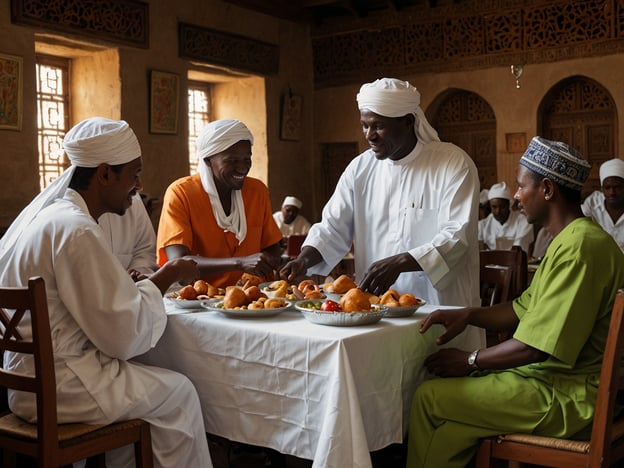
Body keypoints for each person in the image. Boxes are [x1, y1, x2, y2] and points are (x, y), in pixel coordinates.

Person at [0, 117, 212, 468]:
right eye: (133, 174)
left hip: (26, 384)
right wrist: (166, 276)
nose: (139, 185)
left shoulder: (50, 219)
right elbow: (123, 336)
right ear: (103, 174)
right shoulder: (76, 229)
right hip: (63, 386)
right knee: (179, 394)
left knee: (151, 395)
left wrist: (131, 285)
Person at [407, 136, 624, 468]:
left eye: (522, 187)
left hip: (571, 397)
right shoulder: (573, 239)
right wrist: (469, 315)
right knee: (452, 431)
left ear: (547, 189)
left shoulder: (581, 248)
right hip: (548, 382)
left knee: (427, 396)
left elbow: (534, 348)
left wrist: (469, 361)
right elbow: (521, 308)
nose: (518, 196)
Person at [280, 78, 480, 307]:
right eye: (365, 125)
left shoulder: (453, 163)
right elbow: (332, 228)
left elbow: (457, 237)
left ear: (407, 121)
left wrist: (400, 262)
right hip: (376, 307)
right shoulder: (360, 169)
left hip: (440, 307)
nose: (369, 135)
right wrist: (303, 260)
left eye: (378, 126)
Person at [157, 119, 283, 288]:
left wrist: (276, 263)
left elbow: (271, 246)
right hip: (201, 299)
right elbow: (178, 262)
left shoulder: (257, 190)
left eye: (247, 159)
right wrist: (239, 263)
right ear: (208, 160)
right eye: (232, 161)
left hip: (255, 296)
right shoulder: (181, 193)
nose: (242, 168)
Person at [99, 191, 158, 280]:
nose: (139, 186)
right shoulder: (77, 217)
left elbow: (145, 250)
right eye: (134, 177)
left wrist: (136, 275)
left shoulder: (132, 199)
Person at [582, 158, 624, 253]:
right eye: (607, 187)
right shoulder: (593, 203)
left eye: (617, 187)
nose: (612, 192)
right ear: (602, 188)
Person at [478, 181, 534, 253]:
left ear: (509, 205)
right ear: (490, 206)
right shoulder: (482, 226)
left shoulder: (523, 222)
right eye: (494, 207)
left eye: (502, 207)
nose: (498, 211)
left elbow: (518, 252)